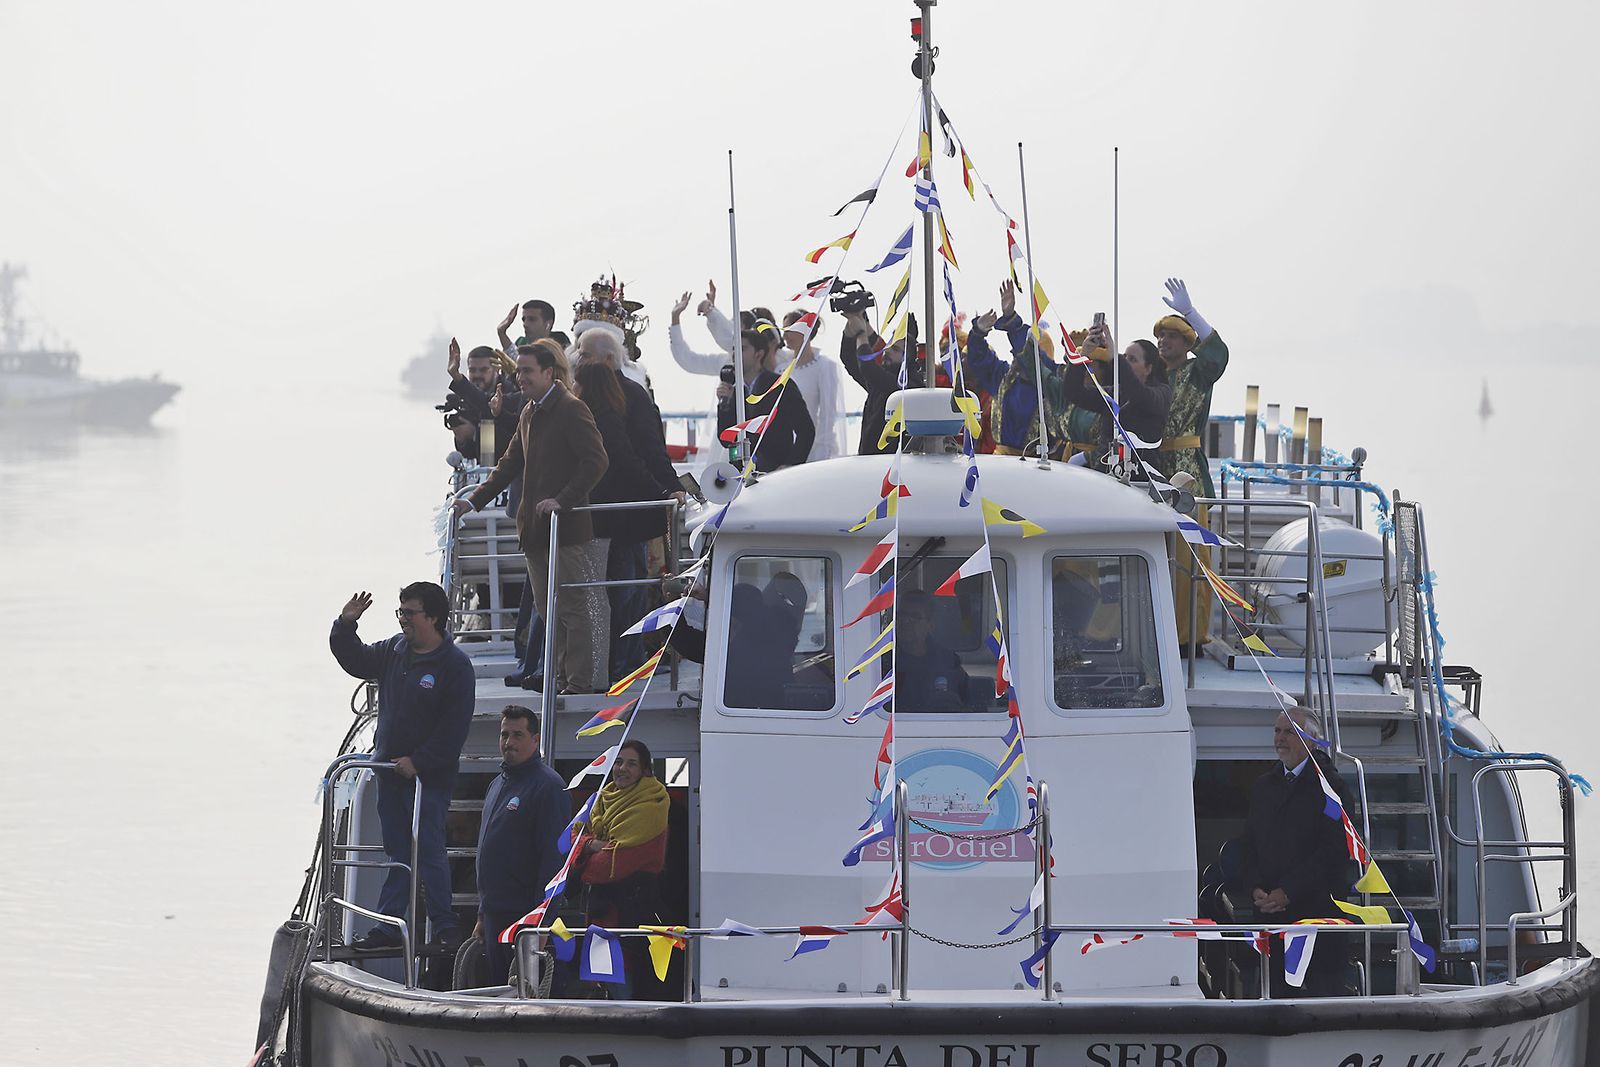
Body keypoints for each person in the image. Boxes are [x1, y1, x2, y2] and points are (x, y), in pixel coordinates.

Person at [452, 339, 609, 695]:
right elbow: (508, 464)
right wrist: (472, 502)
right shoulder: (529, 411)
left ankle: (579, 681)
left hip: (564, 530)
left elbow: (596, 461)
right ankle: (562, 677)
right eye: (518, 371)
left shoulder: (572, 409)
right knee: (548, 608)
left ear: (549, 373)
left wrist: (562, 501)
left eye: (527, 371)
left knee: (572, 607)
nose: (519, 377)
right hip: (535, 531)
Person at [329, 582, 475, 955]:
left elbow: (454, 728)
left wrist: (419, 761)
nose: (403, 619)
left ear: (433, 617)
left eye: (409, 613)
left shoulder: (455, 666)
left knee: (429, 848)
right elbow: (356, 660)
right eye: (401, 612)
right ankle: (389, 924)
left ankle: (444, 925)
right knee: (397, 851)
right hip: (389, 773)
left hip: (429, 778)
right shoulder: (394, 650)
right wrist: (345, 624)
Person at [1228, 708, 1355, 998]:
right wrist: (1256, 888)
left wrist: (1287, 892)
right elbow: (1249, 844)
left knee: (1324, 1001)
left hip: (1318, 919)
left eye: (1289, 732)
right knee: (1274, 997)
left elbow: (1334, 851)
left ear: (1311, 740)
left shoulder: (1332, 788)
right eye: (1277, 731)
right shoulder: (1263, 786)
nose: (1280, 738)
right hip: (1271, 920)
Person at [573, 358, 683, 680]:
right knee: (629, 592)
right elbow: (632, 461)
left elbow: (626, 462)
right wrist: (661, 491)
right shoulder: (610, 417)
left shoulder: (597, 419)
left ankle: (620, 663)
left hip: (613, 521)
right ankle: (627, 662)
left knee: (622, 592)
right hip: (626, 520)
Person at [474, 706, 569, 984]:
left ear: (535, 740)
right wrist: (482, 913)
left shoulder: (549, 787)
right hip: (495, 914)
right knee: (498, 990)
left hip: (526, 918)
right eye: (504, 734)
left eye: (518, 735)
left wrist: (542, 923)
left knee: (523, 993)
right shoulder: (496, 785)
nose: (509, 742)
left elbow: (555, 861)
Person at [574, 740, 671, 998]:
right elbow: (573, 840)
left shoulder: (651, 805)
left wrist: (585, 854)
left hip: (631, 921)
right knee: (601, 993)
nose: (622, 769)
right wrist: (592, 845)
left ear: (645, 771)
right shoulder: (601, 799)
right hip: (601, 917)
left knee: (625, 997)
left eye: (631, 764)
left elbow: (607, 867)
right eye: (618, 762)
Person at [963, 281, 1071, 459]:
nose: (1017, 357)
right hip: (1002, 460)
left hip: (1039, 462)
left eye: (1023, 354)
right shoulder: (1005, 377)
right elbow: (979, 360)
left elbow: (1028, 355)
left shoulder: (1052, 384)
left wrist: (1012, 320)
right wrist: (978, 332)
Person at [1151, 278, 1229, 497]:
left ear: (1188, 344)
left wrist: (1190, 313)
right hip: (1153, 464)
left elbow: (1217, 354)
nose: (1163, 340)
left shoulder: (1197, 373)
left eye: (1172, 336)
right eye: (1161, 335)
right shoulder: (1151, 375)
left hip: (1186, 467)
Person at [1064, 330, 1172, 471]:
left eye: (1132, 359)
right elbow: (1074, 393)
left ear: (1148, 369)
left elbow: (1139, 396)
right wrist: (1082, 355)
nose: (1125, 362)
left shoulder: (1161, 393)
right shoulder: (1115, 393)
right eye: (1124, 357)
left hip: (1140, 477)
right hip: (1106, 474)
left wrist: (1116, 359)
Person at [716, 320, 815, 471]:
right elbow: (726, 439)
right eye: (734, 349)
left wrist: (790, 464)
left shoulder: (780, 385)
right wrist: (724, 405)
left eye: (742, 349)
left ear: (759, 354)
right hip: (745, 472)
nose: (735, 355)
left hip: (777, 471)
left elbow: (806, 430)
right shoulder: (736, 392)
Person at [840, 309, 924, 455]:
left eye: (895, 349)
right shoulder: (881, 381)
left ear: (907, 358)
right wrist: (850, 329)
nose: (887, 351)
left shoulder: (908, 387)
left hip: (893, 464)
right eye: (888, 347)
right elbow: (849, 358)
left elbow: (868, 367)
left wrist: (861, 334)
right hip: (870, 461)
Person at [777, 311, 849, 461]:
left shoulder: (825, 367)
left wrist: (821, 452)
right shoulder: (781, 369)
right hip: (785, 447)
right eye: (784, 330)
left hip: (815, 448)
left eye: (790, 330)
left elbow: (827, 414)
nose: (785, 336)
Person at [894, 590, 972, 711]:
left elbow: (968, 704)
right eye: (902, 615)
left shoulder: (948, 661)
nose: (906, 621)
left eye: (915, 616)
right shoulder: (885, 661)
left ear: (930, 625)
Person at [445, 338, 519, 462]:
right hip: (483, 467)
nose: (477, 375)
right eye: (472, 370)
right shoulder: (467, 398)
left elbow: (485, 403)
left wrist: (475, 432)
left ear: (496, 369)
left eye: (483, 370)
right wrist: (462, 439)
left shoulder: (511, 392)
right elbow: (470, 455)